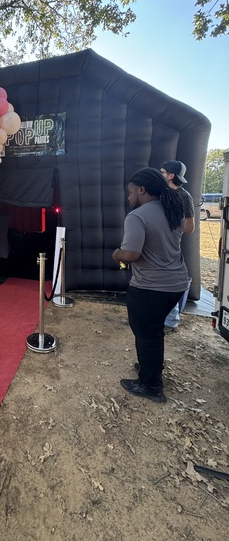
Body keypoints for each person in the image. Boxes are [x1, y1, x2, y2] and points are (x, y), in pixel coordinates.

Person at [112, 168, 189, 403]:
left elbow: (130, 254)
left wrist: (116, 254)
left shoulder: (137, 216)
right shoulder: (173, 210)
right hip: (176, 284)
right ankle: (150, 368)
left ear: (142, 190)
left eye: (130, 192)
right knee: (154, 332)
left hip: (150, 287)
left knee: (146, 334)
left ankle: (151, 385)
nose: (128, 197)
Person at [160, 161, 195, 333]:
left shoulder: (184, 196)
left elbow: (190, 227)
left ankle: (171, 321)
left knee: (168, 282)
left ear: (171, 175)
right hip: (154, 243)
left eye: (162, 172)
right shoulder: (160, 193)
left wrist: (169, 229)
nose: (160, 174)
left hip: (169, 246)